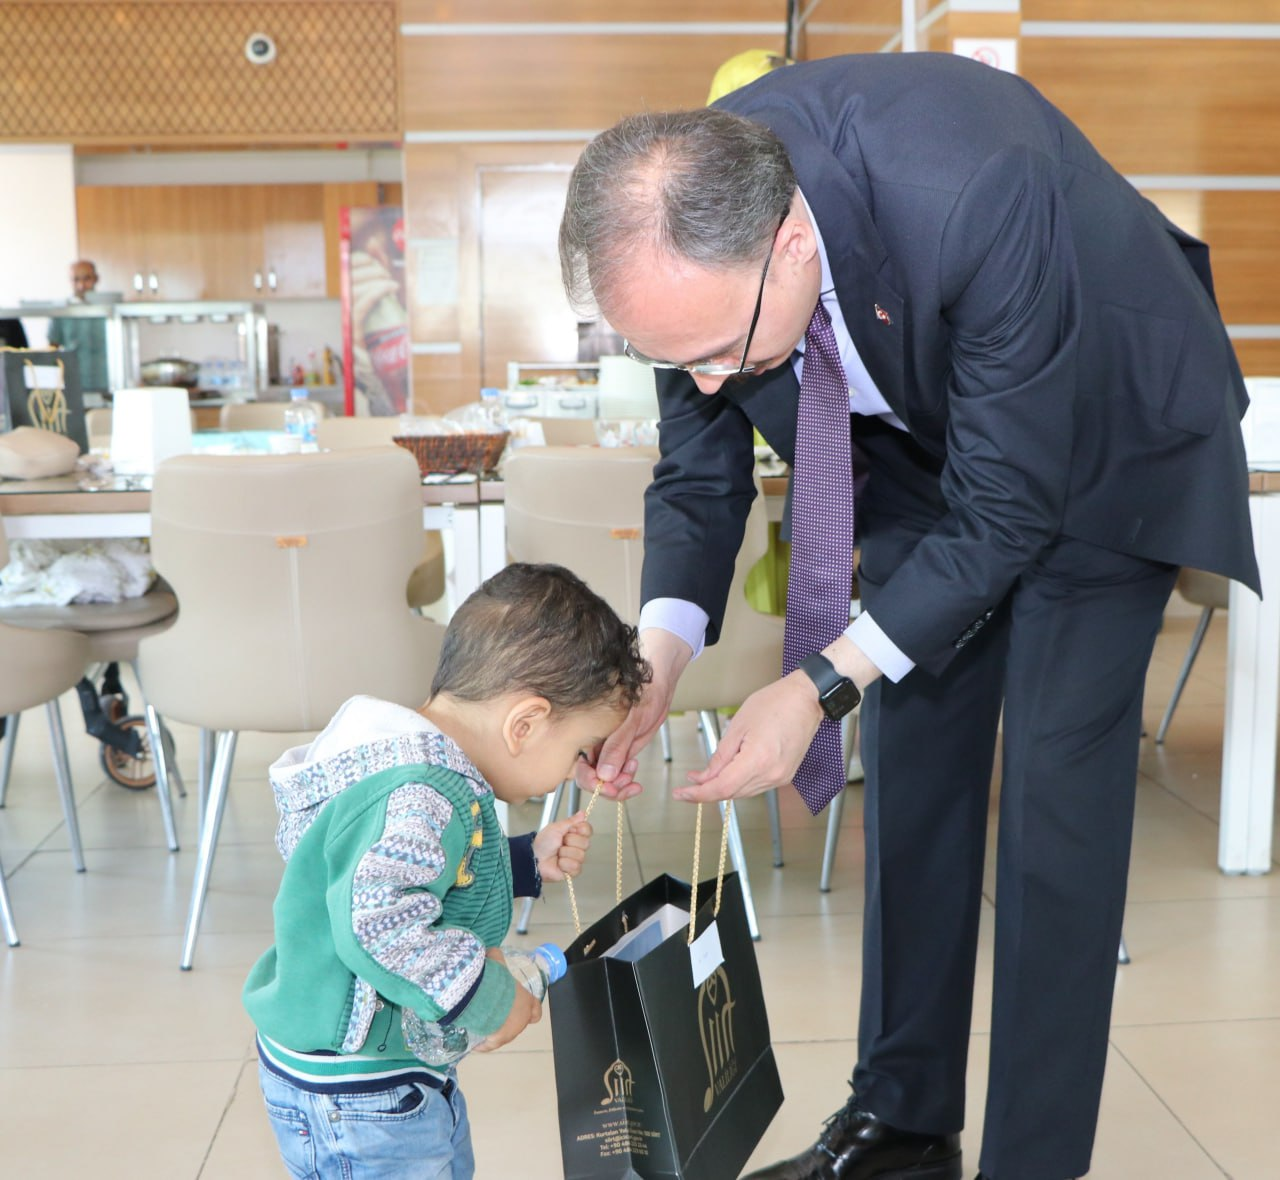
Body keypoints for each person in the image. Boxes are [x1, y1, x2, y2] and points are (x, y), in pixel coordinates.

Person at [557, 53, 1259, 1180]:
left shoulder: (970, 181)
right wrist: (653, 663)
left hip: (1109, 434)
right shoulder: (685, 229)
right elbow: (697, 478)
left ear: (789, 243)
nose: (699, 382)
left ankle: (1031, 1163)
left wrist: (820, 682)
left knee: (1049, 804)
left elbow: (1010, 505)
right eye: (666, 359)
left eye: (712, 356)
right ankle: (902, 1122)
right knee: (915, 759)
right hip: (927, 449)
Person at [242, 562, 651, 1179]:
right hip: (362, 1093)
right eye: (576, 751)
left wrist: (522, 860)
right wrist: (488, 1001)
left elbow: (406, 873)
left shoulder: (409, 761)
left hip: (379, 1073)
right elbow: (381, 919)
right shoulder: (421, 792)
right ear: (525, 724)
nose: (574, 770)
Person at [47, 259, 110, 392]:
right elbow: (52, 349)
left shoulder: (108, 309)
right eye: (76, 280)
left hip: (108, 383)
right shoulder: (61, 311)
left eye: (86, 279)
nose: (81, 285)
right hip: (74, 383)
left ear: (96, 279)